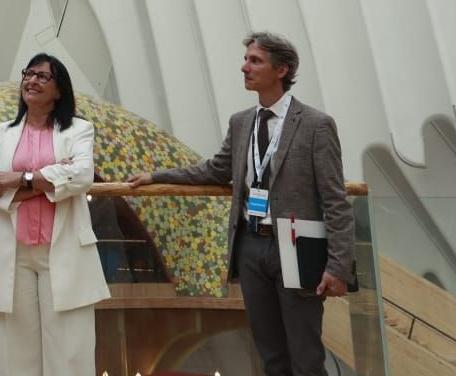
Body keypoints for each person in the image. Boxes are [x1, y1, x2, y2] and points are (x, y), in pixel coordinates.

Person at [127, 32, 353, 376]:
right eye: (246, 59)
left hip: (295, 247)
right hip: (249, 247)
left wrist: (338, 266)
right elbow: (215, 169)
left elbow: (336, 199)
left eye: (255, 60)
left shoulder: (315, 124)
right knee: (270, 352)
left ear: (282, 69)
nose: (244, 67)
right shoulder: (241, 121)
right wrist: (156, 176)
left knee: (305, 354)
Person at [0, 54, 109, 376]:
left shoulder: (80, 129)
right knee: (15, 353)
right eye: (28, 74)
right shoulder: (1, 133)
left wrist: (20, 179)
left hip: (62, 251)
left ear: (59, 90)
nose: (32, 81)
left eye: (42, 77)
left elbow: (81, 176)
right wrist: (50, 179)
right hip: (14, 252)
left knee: (69, 352)